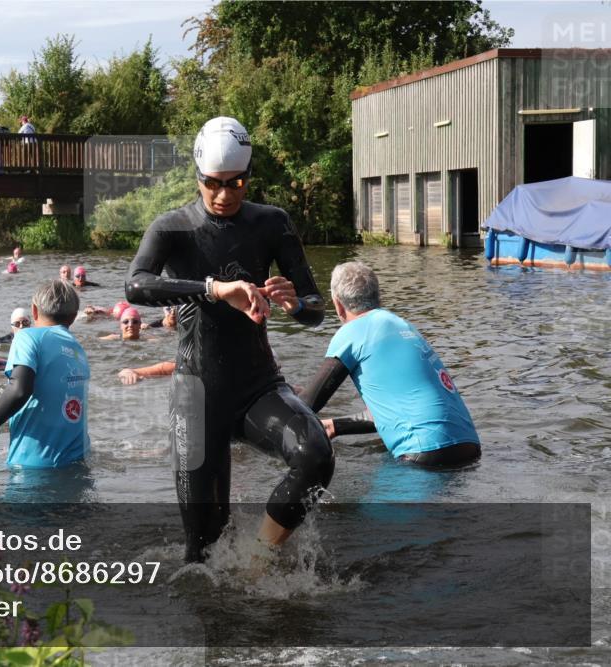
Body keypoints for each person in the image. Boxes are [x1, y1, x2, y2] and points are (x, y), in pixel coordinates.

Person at [125, 115, 332, 562]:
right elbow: (135, 285)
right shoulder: (172, 227)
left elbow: (316, 310)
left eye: (236, 183)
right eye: (213, 183)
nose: (224, 195)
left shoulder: (272, 223)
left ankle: (259, 558)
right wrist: (212, 288)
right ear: (197, 177)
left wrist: (295, 303)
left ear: (249, 176)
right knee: (202, 549)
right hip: (196, 394)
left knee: (315, 454)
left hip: (258, 385)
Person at [298, 262, 481, 466]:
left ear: (338, 304)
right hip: (470, 449)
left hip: (423, 454)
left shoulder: (351, 332)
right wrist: (335, 426)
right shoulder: (402, 325)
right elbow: (394, 411)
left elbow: (307, 404)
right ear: (378, 296)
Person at [0, 280, 89, 467]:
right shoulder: (77, 348)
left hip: (33, 465)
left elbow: (19, 389)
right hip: (78, 459)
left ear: (34, 311)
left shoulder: (26, 337)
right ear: (74, 316)